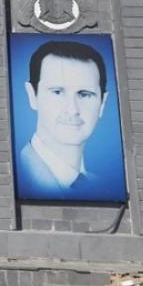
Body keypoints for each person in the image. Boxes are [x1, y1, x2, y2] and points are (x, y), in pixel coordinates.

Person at [16, 40, 109, 199]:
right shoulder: (15, 174)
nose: (72, 110)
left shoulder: (102, 188)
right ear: (32, 96)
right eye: (57, 92)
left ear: (102, 103)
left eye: (84, 94)